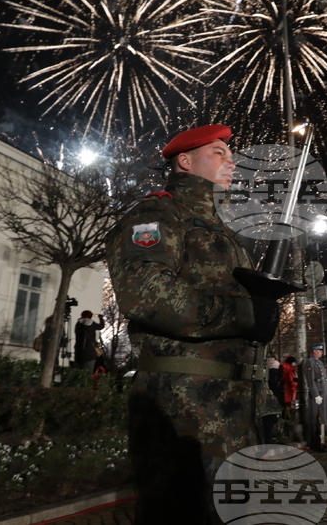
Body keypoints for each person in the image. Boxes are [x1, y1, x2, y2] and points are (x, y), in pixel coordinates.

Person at [104, 124, 279, 525]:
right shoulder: (157, 214)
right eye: (218, 152)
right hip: (185, 409)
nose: (231, 161)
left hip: (236, 410)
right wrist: (247, 314)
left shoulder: (226, 231)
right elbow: (147, 294)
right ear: (185, 161)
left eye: (229, 153)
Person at [302, 343, 327, 452]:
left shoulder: (319, 363)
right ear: (314, 351)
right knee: (315, 418)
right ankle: (316, 442)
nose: (321, 352)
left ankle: (321, 441)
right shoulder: (310, 363)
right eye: (319, 350)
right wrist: (315, 394)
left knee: (323, 417)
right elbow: (311, 380)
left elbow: (325, 379)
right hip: (318, 393)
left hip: (323, 391)